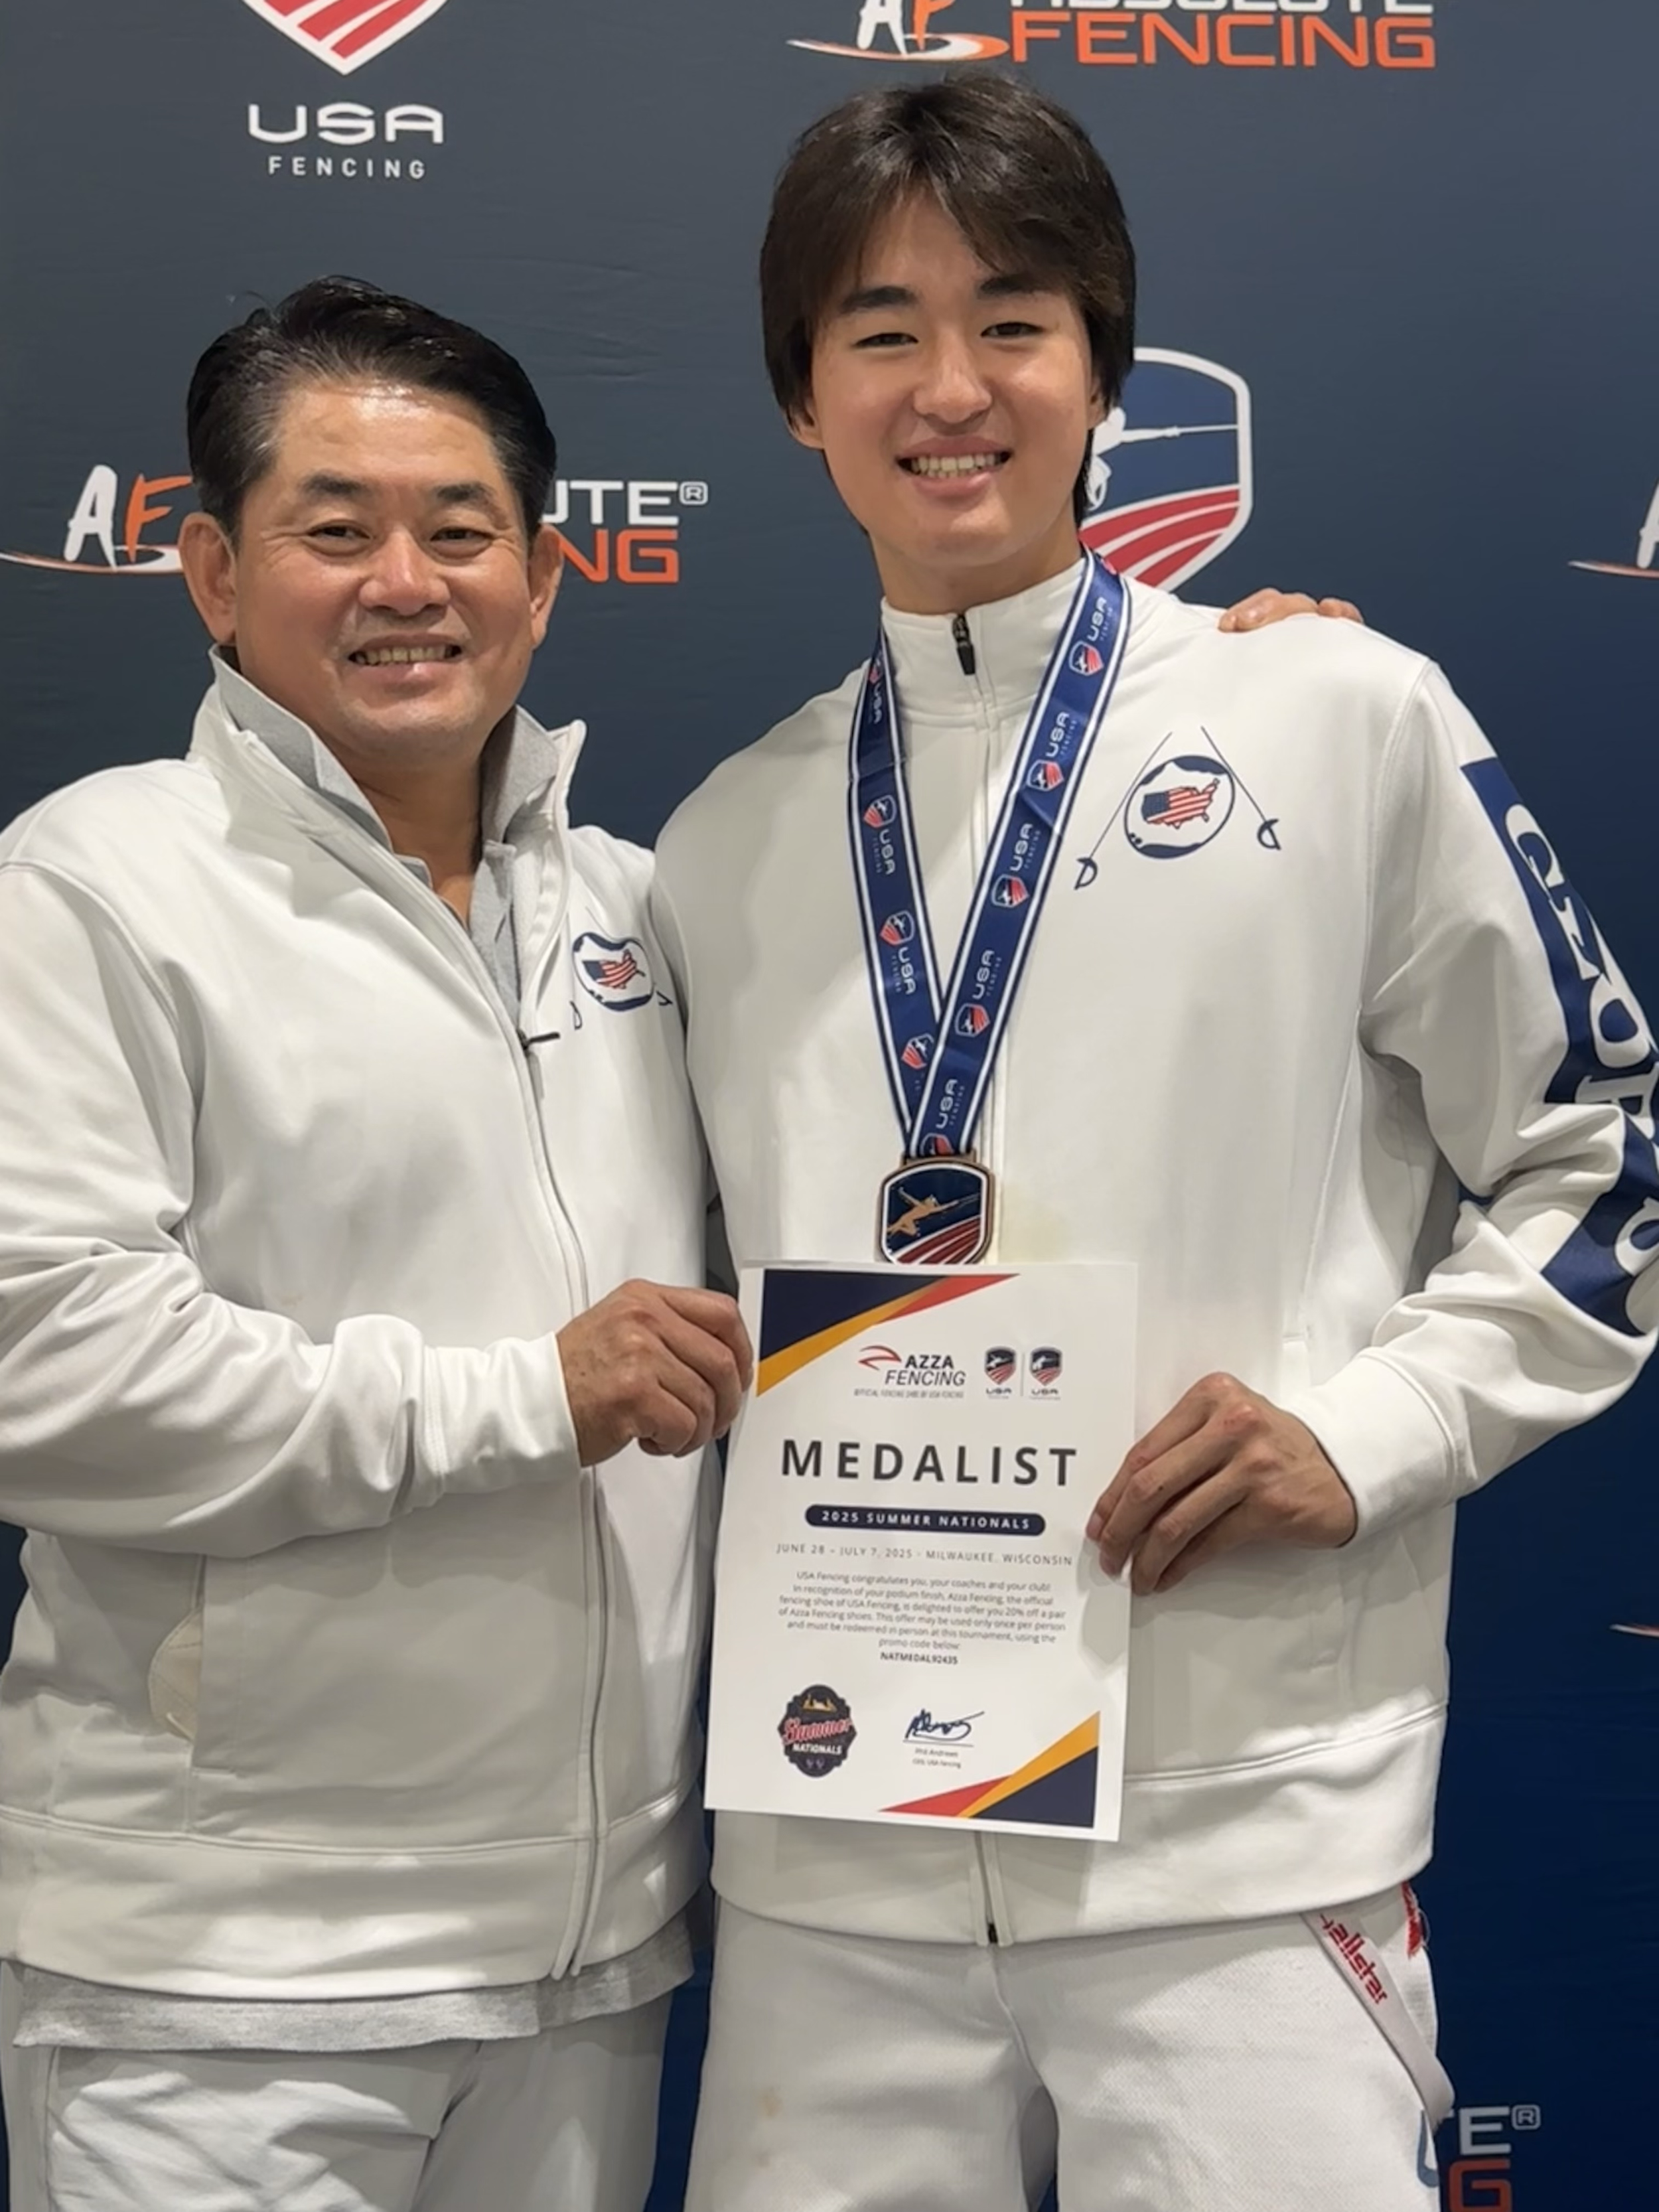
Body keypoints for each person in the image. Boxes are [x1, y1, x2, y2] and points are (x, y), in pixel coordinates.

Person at [651, 74, 1659, 2212]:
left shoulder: (1339, 717)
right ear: (794, 398)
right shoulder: (727, 837)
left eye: (1012, 319)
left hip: (1235, 1838)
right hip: (837, 1862)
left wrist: (1365, 1427)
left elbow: (1611, 1166)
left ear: (1105, 367)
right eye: (877, 330)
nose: (951, 387)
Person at [0, 277, 754, 2212]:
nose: (403, 579)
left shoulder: (649, 910)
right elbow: (50, 1371)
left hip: (589, 1963)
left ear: (546, 574)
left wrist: (1242, 704)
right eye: (333, 529)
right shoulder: (91, 888)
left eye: (459, 529)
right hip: (225, 1985)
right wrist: (531, 1394)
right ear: (211, 574)